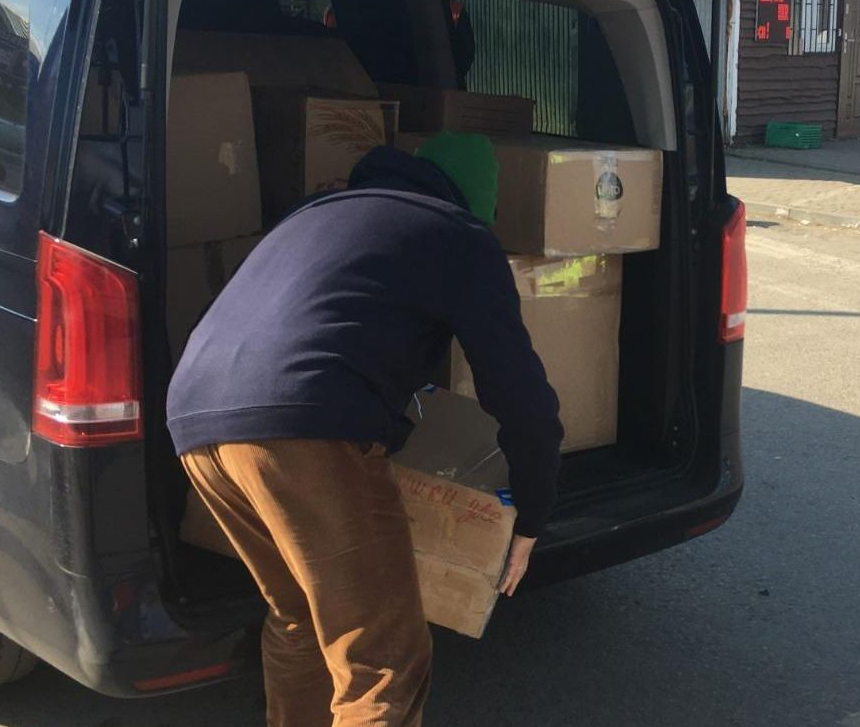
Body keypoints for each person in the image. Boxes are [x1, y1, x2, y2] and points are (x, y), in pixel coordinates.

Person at [168, 136, 563, 727]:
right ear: (477, 204)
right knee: (382, 661)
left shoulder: (317, 212)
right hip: (304, 425)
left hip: (195, 417)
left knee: (300, 619)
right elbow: (519, 393)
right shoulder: (459, 236)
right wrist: (532, 512)